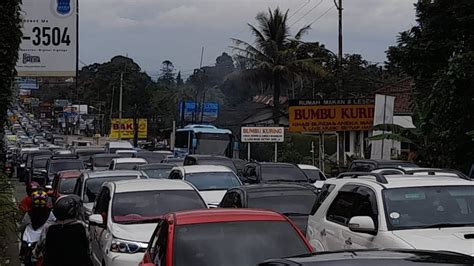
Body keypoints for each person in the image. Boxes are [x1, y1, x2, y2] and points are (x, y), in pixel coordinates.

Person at [33, 195, 92, 266]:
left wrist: (35, 254)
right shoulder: (81, 226)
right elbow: (88, 247)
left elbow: (40, 246)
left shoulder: (49, 227)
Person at [19, 189, 55, 265]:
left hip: (33, 239)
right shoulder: (50, 213)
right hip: (41, 239)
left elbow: (23, 225)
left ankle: (22, 254)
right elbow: (54, 223)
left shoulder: (29, 213)